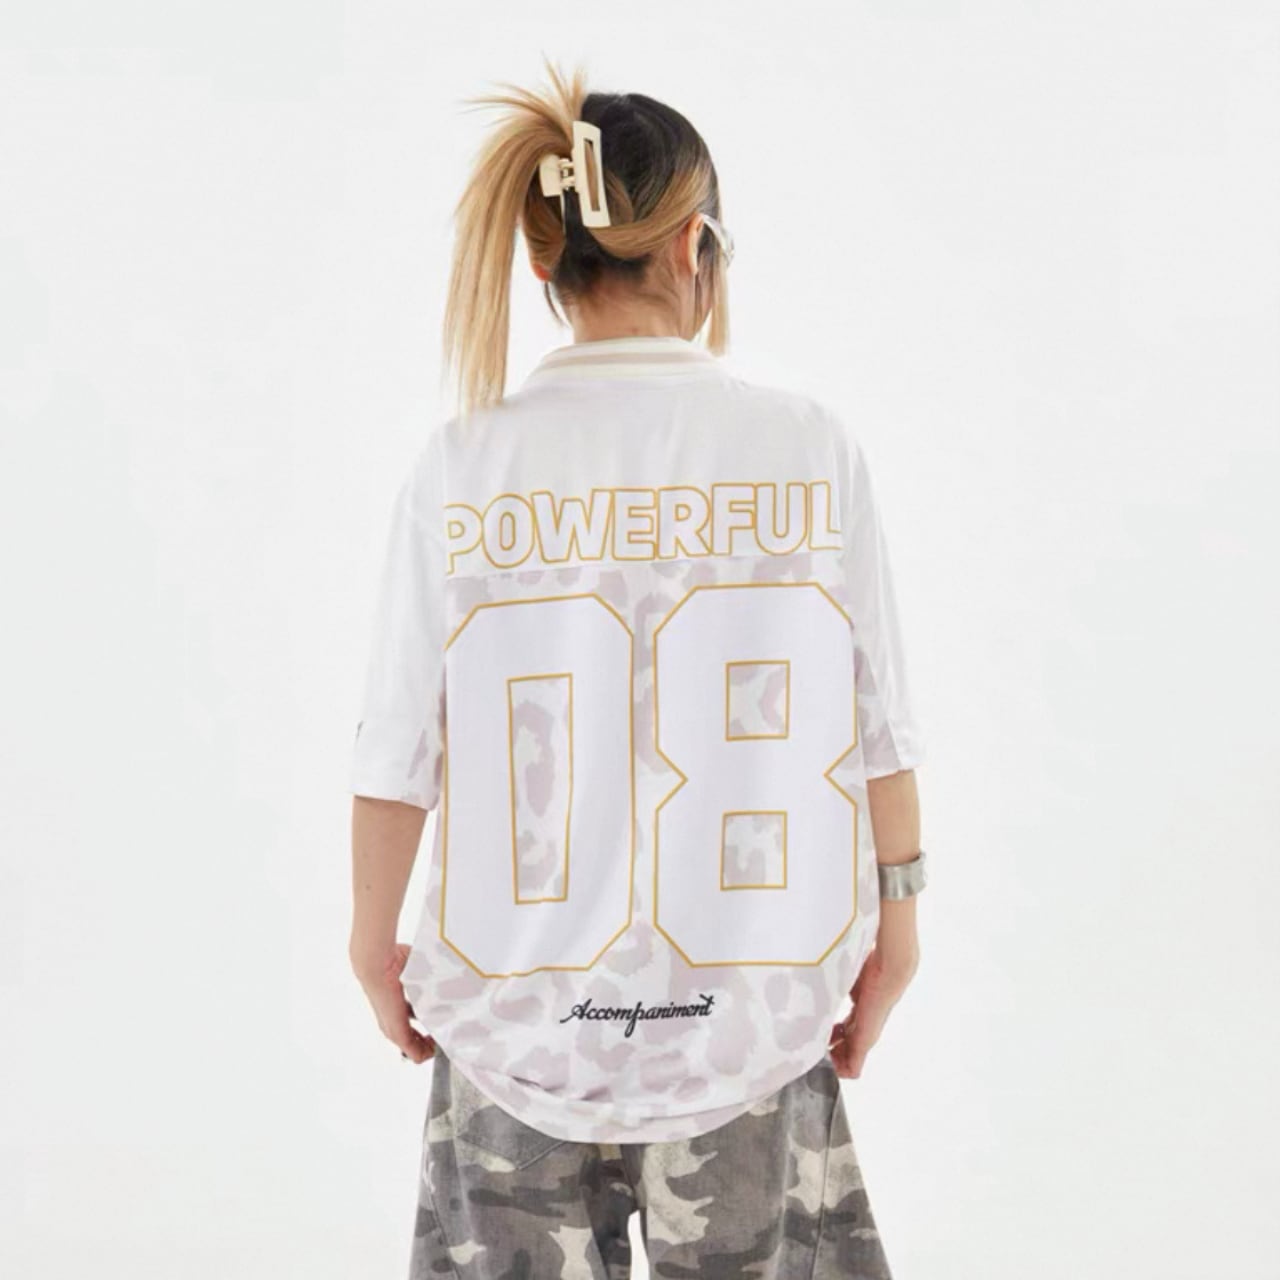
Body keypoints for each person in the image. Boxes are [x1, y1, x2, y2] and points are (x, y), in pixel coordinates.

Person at [347, 57, 928, 1280]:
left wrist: (368, 937)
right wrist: (901, 915)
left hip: (512, 1026)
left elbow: (399, 745)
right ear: (691, 244)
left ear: (544, 260)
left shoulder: (463, 460)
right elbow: (877, 719)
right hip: (747, 1021)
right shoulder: (806, 446)